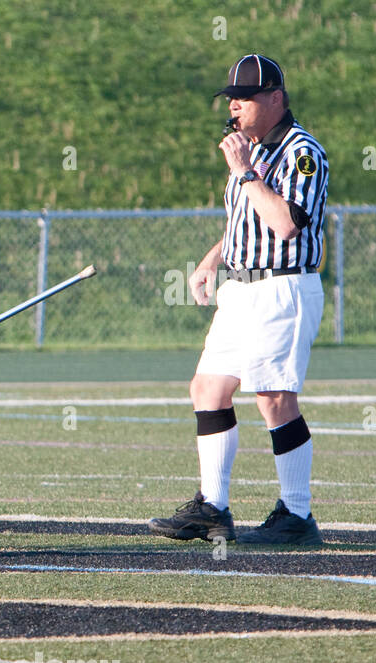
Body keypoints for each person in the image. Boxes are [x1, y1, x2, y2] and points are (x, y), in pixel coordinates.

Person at [150, 54, 329, 546]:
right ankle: (213, 508)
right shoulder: (246, 148)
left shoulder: (301, 152)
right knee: (208, 389)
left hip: (281, 286)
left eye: (244, 98)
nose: (234, 107)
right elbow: (244, 220)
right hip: (240, 286)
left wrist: (246, 172)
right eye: (230, 99)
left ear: (275, 98)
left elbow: (286, 222)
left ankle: (297, 514)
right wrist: (214, 257)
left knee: (274, 399)